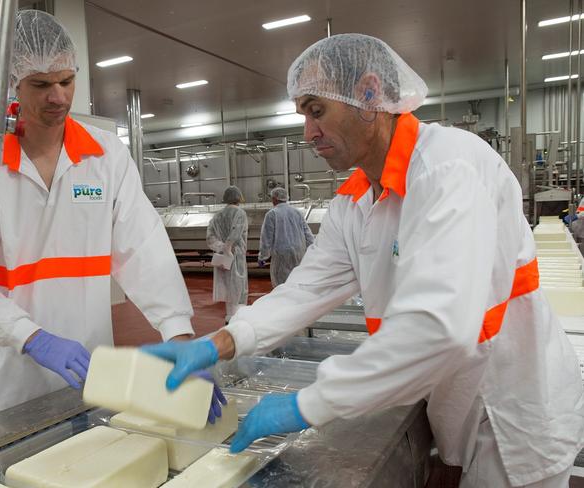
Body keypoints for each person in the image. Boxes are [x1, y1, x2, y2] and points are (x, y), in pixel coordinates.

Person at [142, 34, 584, 488]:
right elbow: (306, 289)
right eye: (304, 116)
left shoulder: (449, 168)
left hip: (514, 416)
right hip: (465, 405)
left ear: (370, 95)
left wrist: (309, 404)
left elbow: (439, 323)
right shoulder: (352, 203)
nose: (307, 133)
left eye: (317, 111)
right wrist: (219, 342)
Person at [0, 10, 224, 423]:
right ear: (8, 83)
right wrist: (32, 338)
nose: (59, 97)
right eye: (41, 84)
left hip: (83, 368)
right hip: (2, 377)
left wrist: (179, 334)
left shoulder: (105, 156)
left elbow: (143, 247)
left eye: (67, 81)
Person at [206, 186, 248, 323]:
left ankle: (230, 316)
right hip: (235, 255)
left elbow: (210, 236)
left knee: (227, 287)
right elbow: (236, 232)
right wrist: (228, 248)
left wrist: (221, 248)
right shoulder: (240, 213)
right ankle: (237, 318)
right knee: (238, 286)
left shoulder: (217, 216)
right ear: (238, 198)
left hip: (222, 256)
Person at [258, 187, 314, 287]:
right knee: (297, 280)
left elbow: (266, 238)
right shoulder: (297, 212)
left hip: (282, 254)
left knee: (282, 284)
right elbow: (307, 233)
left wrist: (263, 256)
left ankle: (285, 302)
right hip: (299, 251)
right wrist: (312, 250)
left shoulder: (272, 214)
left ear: (275, 198)